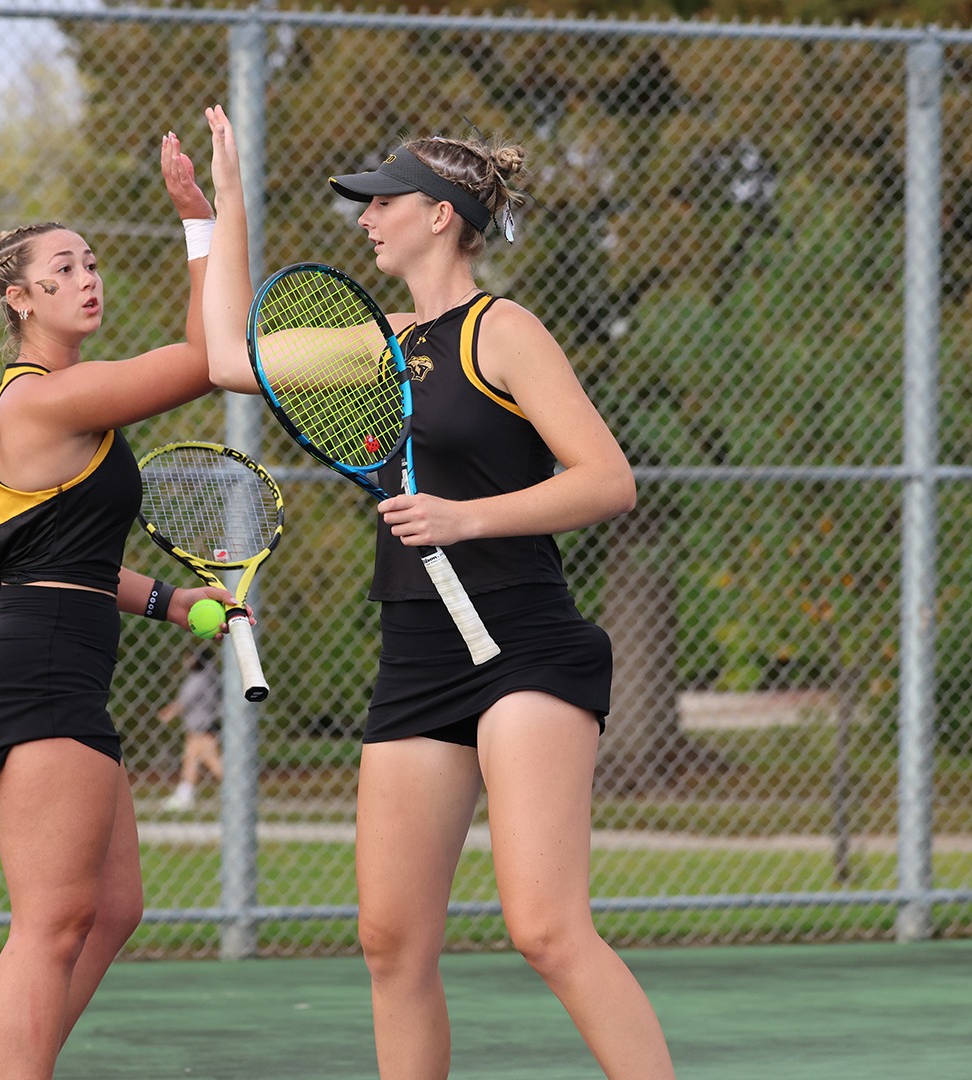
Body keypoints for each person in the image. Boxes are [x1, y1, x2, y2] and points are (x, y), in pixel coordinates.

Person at [199, 107, 676, 1080]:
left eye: (384, 201)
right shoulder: (379, 345)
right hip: (418, 651)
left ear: (441, 216)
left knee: (544, 927)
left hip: (524, 644)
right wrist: (216, 215)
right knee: (390, 941)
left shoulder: (506, 331)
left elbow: (607, 479)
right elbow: (225, 357)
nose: (366, 218)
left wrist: (466, 518)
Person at [0, 130, 235, 1080]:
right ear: (19, 297)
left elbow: (59, 562)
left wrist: (174, 605)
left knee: (110, 910)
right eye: (64, 268)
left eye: (93, 263)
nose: (87, 278)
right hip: (36, 666)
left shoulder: (70, 404)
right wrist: (202, 220)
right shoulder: (40, 403)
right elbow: (205, 357)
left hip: (60, 652)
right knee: (52, 920)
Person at [157, 648, 224, 811]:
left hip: (202, 726)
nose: (185, 662)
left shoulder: (200, 678)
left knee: (210, 760)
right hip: (199, 725)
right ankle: (185, 794)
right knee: (190, 759)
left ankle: (239, 789)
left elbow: (185, 700)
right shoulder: (211, 676)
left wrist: (168, 712)